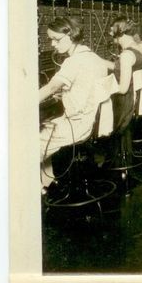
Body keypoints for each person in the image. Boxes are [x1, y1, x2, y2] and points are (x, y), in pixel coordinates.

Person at [38, 15, 109, 186]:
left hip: (77, 126)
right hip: (90, 122)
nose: (52, 44)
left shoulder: (73, 61)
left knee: (27, 144)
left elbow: (50, 88)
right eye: (50, 40)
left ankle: (40, 191)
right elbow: (86, 88)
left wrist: (23, 102)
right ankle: (48, 185)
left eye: (56, 39)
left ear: (70, 35)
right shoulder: (94, 57)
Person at [107, 17, 142, 157]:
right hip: (136, 101)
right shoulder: (141, 49)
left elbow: (123, 89)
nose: (109, 32)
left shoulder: (126, 55)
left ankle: (107, 158)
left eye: (112, 29)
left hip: (125, 106)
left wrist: (101, 90)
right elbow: (125, 70)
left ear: (119, 32)